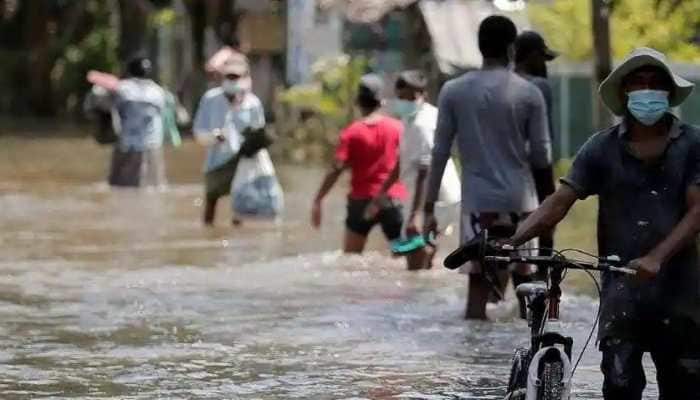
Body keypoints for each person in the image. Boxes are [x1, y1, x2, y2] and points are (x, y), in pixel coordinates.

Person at [502, 47, 700, 400]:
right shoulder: (602, 148)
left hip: (681, 297)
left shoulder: (693, 144)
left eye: (655, 83)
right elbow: (559, 202)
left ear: (669, 93)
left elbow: (697, 211)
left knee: (684, 387)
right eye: (639, 82)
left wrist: (657, 257)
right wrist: (514, 241)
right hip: (621, 296)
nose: (647, 89)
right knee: (620, 386)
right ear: (624, 93)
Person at [423, 15, 552, 319]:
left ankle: (476, 364)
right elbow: (542, 155)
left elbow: (439, 152)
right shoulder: (529, 92)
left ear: (479, 47)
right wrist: (551, 206)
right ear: (511, 48)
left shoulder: (453, 91)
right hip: (522, 204)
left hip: (479, 207)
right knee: (527, 294)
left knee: (477, 295)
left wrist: (428, 208)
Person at [367, 70, 461, 269]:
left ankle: (420, 296)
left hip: (435, 200)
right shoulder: (412, 118)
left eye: (409, 97)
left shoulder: (422, 124)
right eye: (400, 97)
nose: (404, 102)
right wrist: (381, 193)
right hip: (435, 199)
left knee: (414, 260)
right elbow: (403, 160)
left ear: (421, 94)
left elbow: (424, 169)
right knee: (424, 254)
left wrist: (415, 215)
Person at [311, 74, 406, 253]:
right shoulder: (398, 128)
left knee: (351, 259)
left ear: (358, 101)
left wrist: (319, 199)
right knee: (402, 256)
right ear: (382, 102)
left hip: (360, 202)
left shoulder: (352, 132)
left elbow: (336, 167)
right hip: (392, 199)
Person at [193, 53, 266, 225]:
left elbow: (259, 133)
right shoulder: (210, 99)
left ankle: (237, 239)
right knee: (211, 201)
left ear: (245, 78)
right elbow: (198, 130)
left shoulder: (253, 103)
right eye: (229, 76)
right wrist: (213, 137)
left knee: (239, 205)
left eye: (236, 76)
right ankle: (209, 233)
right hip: (216, 161)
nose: (232, 80)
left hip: (242, 162)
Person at [514, 31, 558, 257]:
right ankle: (542, 278)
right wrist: (549, 189)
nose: (544, 65)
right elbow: (543, 141)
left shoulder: (503, 84)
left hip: (498, 178)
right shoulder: (539, 86)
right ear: (531, 56)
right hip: (533, 175)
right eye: (542, 58)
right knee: (545, 230)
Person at [109, 55, 175, 188]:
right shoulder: (158, 91)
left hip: (127, 144)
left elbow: (108, 110)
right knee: (155, 185)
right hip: (152, 145)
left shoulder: (121, 88)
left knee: (120, 187)